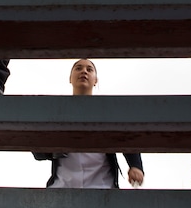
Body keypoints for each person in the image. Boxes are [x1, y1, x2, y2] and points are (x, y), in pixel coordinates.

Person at [33, 59, 145, 188]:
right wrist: (54, 148)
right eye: (78, 68)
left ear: (96, 80)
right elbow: (38, 152)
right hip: (63, 186)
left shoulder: (108, 112)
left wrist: (135, 166)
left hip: (102, 186)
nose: (84, 72)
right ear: (70, 78)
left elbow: (126, 137)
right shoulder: (57, 112)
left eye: (89, 69)